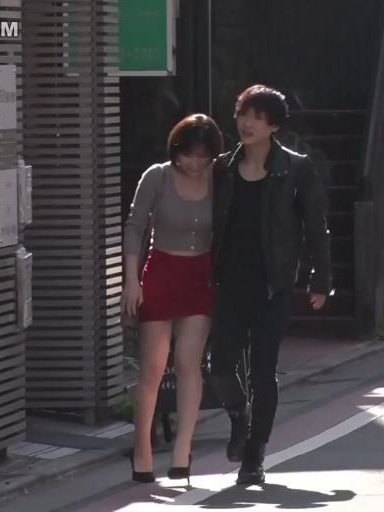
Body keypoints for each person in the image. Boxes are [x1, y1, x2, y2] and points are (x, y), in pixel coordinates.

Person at [209, 85, 332, 486]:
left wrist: (319, 279)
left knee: (263, 372)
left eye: (257, 117)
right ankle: (238, 414)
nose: (247, 123)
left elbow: (316, 228)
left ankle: (254, 455)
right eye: (243, 114)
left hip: (273, 285)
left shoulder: (295, 168)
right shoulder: (223, 168)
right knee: (220, 365)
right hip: (230, 281)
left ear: (274, 125)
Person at [121, 114, 223, 484]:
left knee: (188, 362)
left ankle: (183, 447)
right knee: (152, 367)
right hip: (161, 272)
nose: (194, 163)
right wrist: (131, 281)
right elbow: (134, 227)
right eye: (187, 154)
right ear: (175, 150)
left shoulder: (219, 178)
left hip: (200, 275)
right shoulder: (158, 176)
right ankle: (142, 451)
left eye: (202, 156)